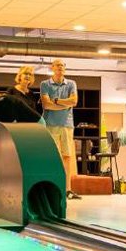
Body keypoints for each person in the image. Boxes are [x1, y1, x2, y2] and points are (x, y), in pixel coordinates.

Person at [40, 59, 82, 200]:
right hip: (50, 124)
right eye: (57, 65)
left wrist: (56, 101)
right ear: (52, 68)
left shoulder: (71, 83)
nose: (60, 67)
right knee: (52, 158)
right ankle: (51, 188)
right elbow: (46, 105)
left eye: (62, 65)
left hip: (66, 125)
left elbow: (74, 102)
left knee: (67, 157)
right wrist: (66, 104)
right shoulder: (45, 84)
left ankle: (67, 190)